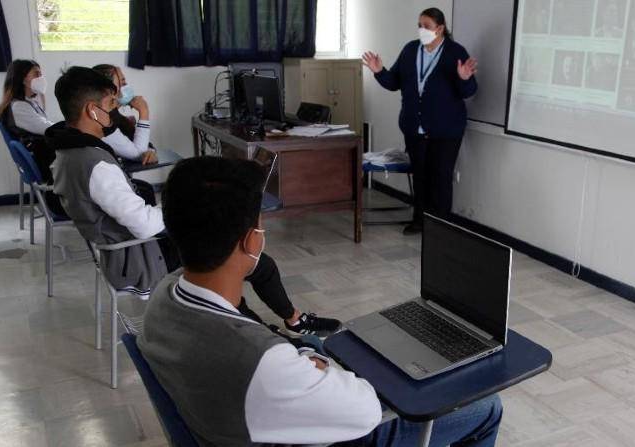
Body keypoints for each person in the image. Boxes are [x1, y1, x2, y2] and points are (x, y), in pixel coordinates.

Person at [139, 155, 504, 446]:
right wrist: (315, 364)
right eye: (261, 224)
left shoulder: (163, 295)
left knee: (316, 343)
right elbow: (364, 412)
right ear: (251, 242)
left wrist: (305, 356)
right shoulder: (262, 362)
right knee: (486, 408)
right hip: (291, 424)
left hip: (226, 411)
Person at [45, 66, 340, 337]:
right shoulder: (96, 165)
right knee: (248, 263)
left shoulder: (67, 153)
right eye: (109, 106)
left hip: (123, 251)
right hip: (140, 258)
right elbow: (144, 224)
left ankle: (281, 325)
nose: (113, 112)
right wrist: (187, 208)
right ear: (92, 110)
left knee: (245, 259)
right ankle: (273, 333)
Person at [363, 7, 478, 236]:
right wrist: (379, 71)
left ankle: (441, 227)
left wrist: (464, 78)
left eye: (426, 26)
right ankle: (420, 221)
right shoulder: (410, 50)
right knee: (421, 176)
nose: (421, 30)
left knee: (441, 177)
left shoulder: (455, 52)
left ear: (440, 29)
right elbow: (394, 81)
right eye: (419, 25)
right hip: (414, 128)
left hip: (446, 130)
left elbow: (469, 90)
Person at [0, 59, 56, 182]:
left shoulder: (28, 102)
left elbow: (44, 125)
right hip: (43, 161)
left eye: (41, 74)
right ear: (22, 79)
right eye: (36, 74)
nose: (41, 78)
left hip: (42, 156)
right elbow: (47, 129)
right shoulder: (19, 107)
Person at [92, 64, 158, 164]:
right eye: (122, 83)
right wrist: (144, 112)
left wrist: (151, 152)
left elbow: (146, 146)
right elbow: (138, 153)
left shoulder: (115, 116)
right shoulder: (103, 122)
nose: (127, 86)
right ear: (108, 90)